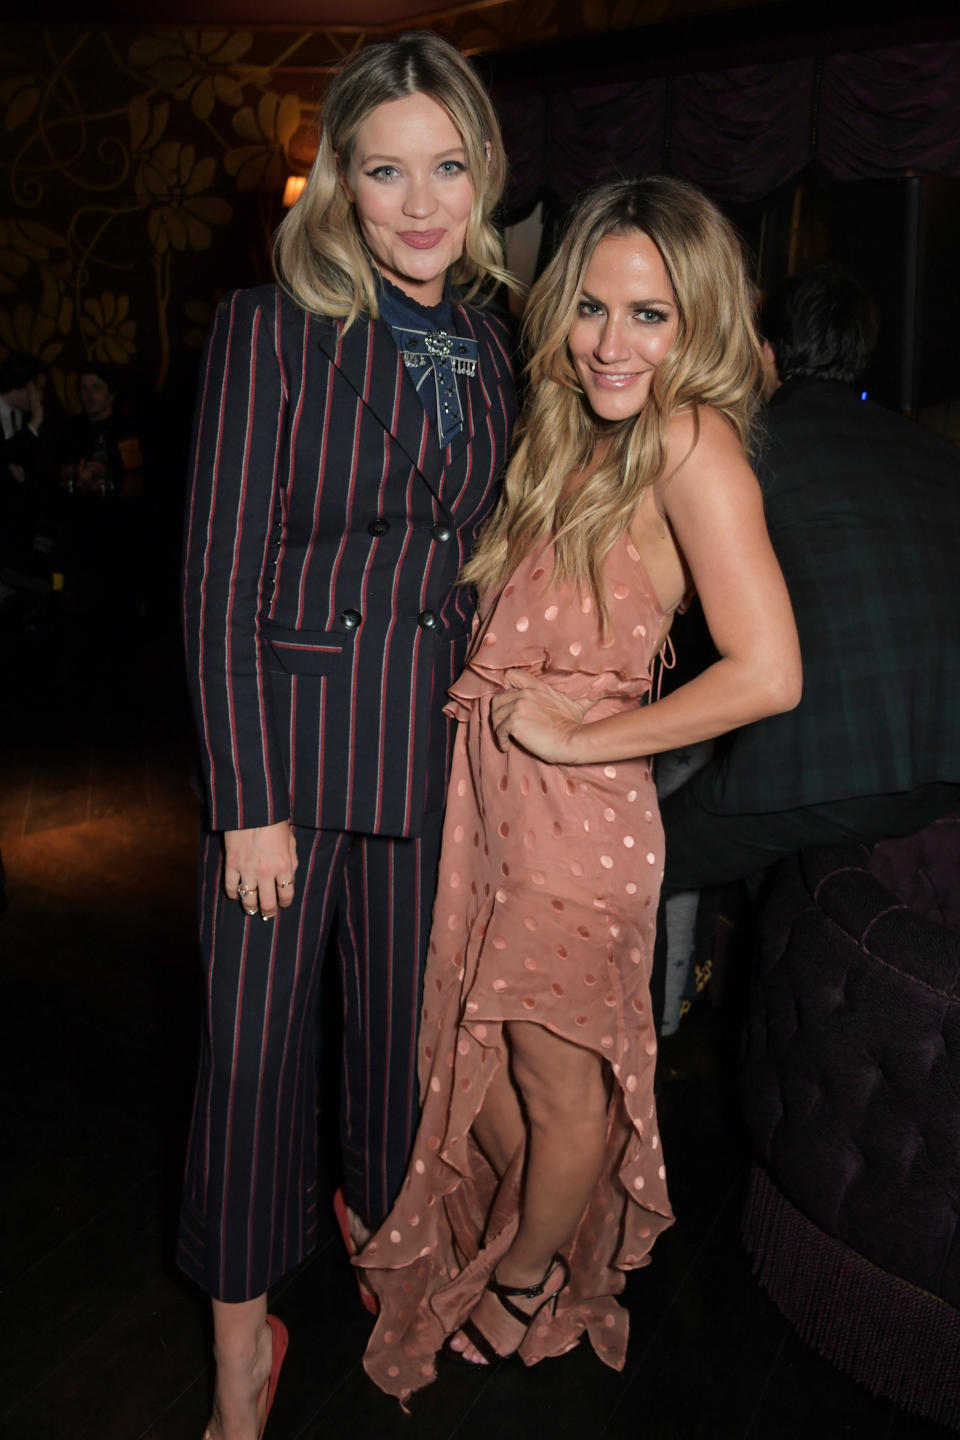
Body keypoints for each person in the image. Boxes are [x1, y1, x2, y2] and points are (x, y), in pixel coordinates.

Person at [356, 175, 801, 1403]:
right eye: (594, 309)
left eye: (650, 315)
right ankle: (530, 1236)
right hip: (493, 811)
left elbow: (770, 672)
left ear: (698, 323)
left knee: (555, 1089)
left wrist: (576, 739)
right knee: (476, 1061)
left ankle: (528, 1282)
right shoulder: (578, 432)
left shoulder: (688, 442)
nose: (613, 343)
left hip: (575, 830)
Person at [178, 32, 517, 1440]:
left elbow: (489, 553)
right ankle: (240, 1353)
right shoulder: (274, 328)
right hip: (291, 769)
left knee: (403, 1051)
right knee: (252, 1060)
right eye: (387, 171)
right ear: (343, 188)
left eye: (447, 167)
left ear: (484, 174)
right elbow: (216, 578)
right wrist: (245, 798)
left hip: (429, 761)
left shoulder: (493, 345)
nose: (421, 201)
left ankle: (387, 1245)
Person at [657, 262, 960, 930]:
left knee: (630, 858)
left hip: (823, 772)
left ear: (765, 351)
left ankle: (650, 1027)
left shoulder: (744, 449)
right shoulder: (936, 451)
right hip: (943, 769)